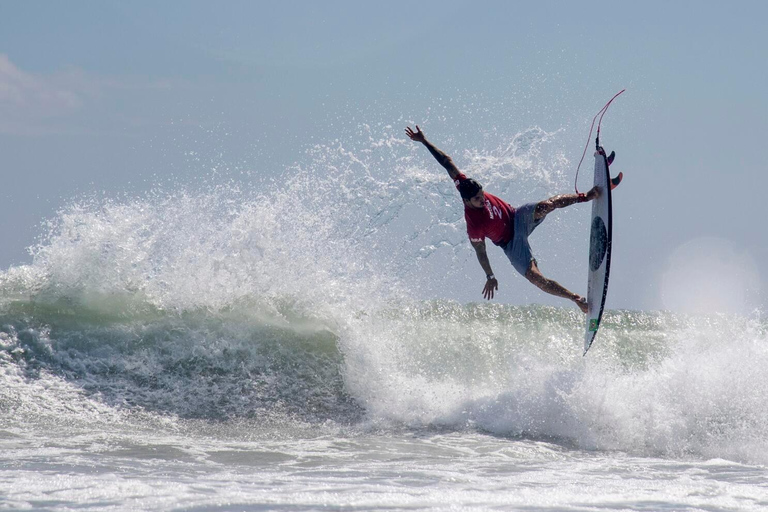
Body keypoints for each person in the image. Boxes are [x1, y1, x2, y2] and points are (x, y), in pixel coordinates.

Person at [406, 125, 603, 313]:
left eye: (482, 194)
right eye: (477, 199)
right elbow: (481, 252)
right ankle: (576, 299)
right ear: (466, 201)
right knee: (535, 278)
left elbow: (446, 161)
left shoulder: (464, 184)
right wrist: (490, 275)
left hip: (517, 216)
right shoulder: (474, 225)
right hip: (511, 245)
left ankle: (587, 196)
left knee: (547, 205)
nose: (482, 200)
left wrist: (424, 141)